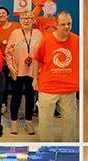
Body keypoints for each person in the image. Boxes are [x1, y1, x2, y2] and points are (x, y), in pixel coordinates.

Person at [32, 11, 79, 142]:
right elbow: (37, 59)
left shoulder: (77, 40)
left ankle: (69, 144)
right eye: (63, 24)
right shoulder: (47, 40)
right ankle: (47, 144)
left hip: (69, 87)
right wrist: (35, 79)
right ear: (56, 24)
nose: (66, 27)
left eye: (69, 23)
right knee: (45, 120)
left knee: (70, 120)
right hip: (48, 86)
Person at [4, 10, 41, 135]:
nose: (26, 20)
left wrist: (39, 70)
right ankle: (14, 122)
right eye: (23, 18)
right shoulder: (15, 33)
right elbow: (8, 51)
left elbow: (42, 52)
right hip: (17, 70)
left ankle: (28, 123)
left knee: (30, 96)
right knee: (16, 96)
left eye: (29, 18)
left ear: (33, 20)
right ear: (20, 21)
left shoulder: (38, 34)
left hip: (32, 71)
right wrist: (10, 66)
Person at [0, 7, 18, 116]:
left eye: (3, 13)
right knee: (2, 86)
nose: (1, 15)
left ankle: (15, 108)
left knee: (15, 85)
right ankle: (3, 105)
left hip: (14, 61)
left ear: (8, 15)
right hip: (0, 62)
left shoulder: (16, 26)